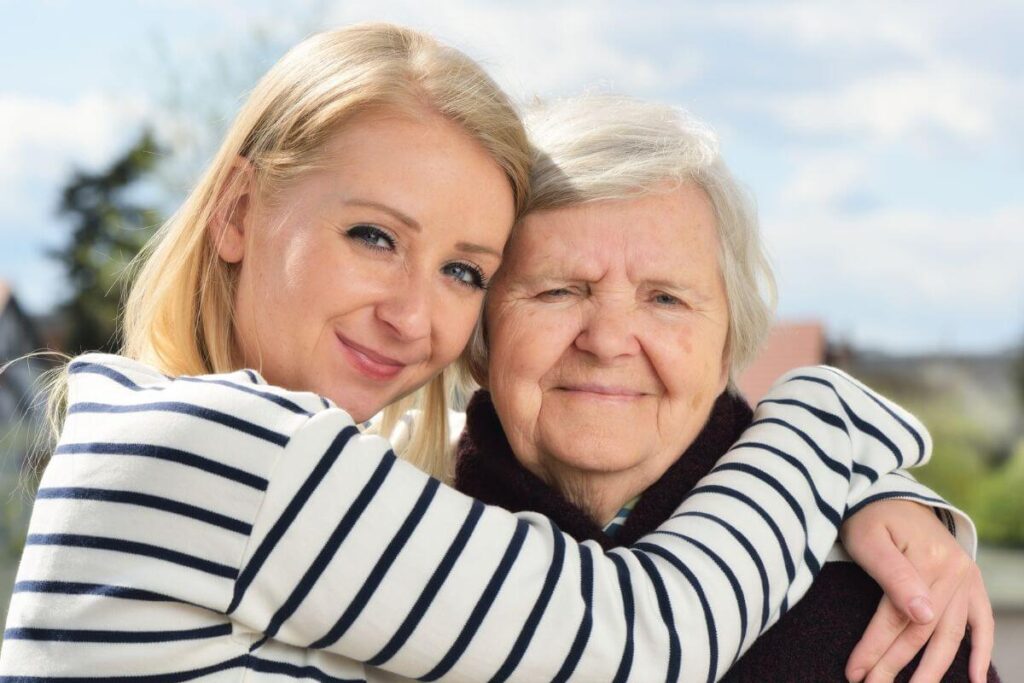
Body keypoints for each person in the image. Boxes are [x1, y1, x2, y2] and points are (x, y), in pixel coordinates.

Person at [0, 24, 990, 683]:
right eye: (373, 236)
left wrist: (878, 497)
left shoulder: (343, 493)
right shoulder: (223, 450)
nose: (410, 314)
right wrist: (822, 420)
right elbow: (646, 633)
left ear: (726, 331)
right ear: (238, 213)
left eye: (462, 268)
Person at [454, 94, 997, 681]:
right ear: (480, 331)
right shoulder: (385, 531)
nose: (608, 341)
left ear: (728, 347)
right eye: (558, 290)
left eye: (666, 299)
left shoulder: (889, 609)